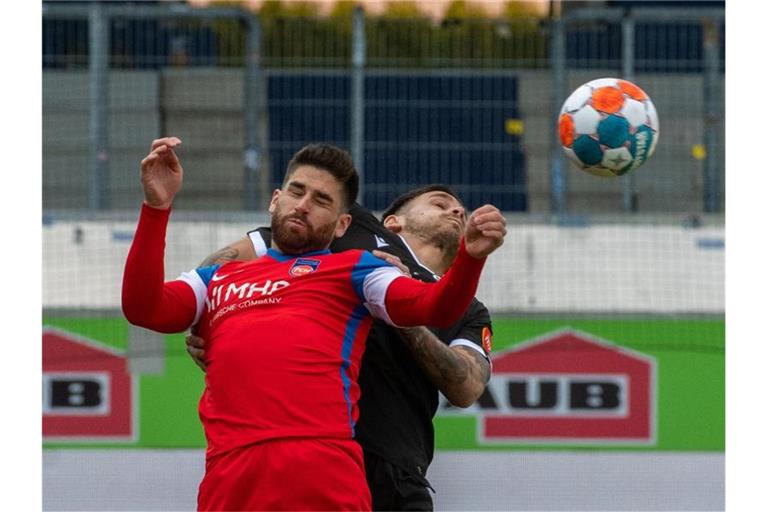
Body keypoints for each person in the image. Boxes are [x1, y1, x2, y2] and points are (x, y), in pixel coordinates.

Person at [121, 137, 506, 511]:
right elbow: (145, 308)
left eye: (321, 200)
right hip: (232, 473)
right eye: (296, 191)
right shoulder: (223, 278)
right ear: (276, 198)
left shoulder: (363, 269)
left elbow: (443, 328)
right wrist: (158, 209)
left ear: (339, 223)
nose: (304, 205)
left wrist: (469, 261)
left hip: (354, 467)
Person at [187, 184, 496, 510]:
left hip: (400, 473)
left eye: (461, 210)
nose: (457, 211)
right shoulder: (355, 230)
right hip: (316, 453)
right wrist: (207, 321)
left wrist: (405, 313)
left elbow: (467, 387)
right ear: (393, 222)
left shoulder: (470, 310)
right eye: (440, 203)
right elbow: (225, 267)